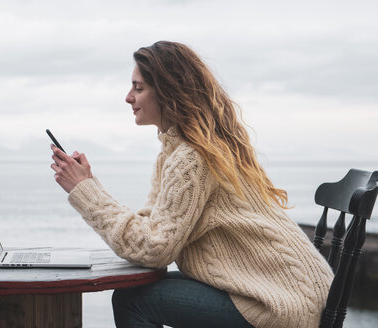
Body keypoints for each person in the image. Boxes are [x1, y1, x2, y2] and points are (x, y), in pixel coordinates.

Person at [50, 41, 333, 328]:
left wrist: (84, 193)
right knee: (133, 293)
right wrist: (89, 185)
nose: (127, 97)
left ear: (167, 93)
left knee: (131, 300)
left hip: (280, 303)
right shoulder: (184, 151)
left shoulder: (190, 157)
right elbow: (153, 229)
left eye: (138, 88)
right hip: (295, 291)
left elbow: (155, 249)